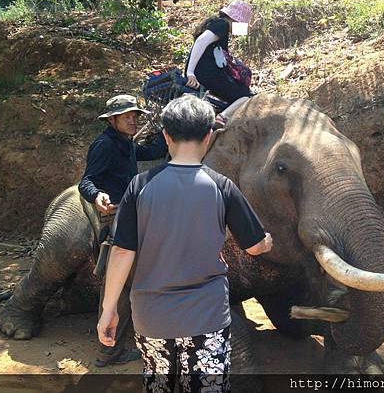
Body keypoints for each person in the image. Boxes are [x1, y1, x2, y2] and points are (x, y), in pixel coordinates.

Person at [97, 95, 272, 393]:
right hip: (207, 318)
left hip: (152, 318)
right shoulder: (222, 186)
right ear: (208, 136)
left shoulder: (139, 186)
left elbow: (123, 251)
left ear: (166, 135)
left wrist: (108, 309)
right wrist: (268, 240)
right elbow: (255, 246)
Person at [78, 94, 168, 368]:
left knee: (121, 281)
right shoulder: (104, 145)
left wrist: (168, 132)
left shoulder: (126, 144)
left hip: (130, 214)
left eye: (134, 116)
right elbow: (87, 181)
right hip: (114, 216)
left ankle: (112, 346)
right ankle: (109, 351)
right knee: (118, 282)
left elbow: (151, 152)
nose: (132, 120)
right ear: (112, 119)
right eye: (126, 116)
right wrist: (97, 196)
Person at [185, 0, 253, 128]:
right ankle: (222, 118)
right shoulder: (222, 25)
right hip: (208, 75)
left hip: (207, 74)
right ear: (235, 20)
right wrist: (190, 72)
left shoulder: (218, 25)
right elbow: (201, 41)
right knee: (245, 95)